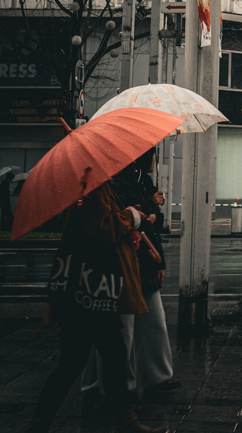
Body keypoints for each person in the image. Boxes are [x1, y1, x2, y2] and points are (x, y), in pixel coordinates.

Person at [26, 179, 167, 433]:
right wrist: (131, 216)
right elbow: (102, 228)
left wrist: (126, 213)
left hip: (89, 292)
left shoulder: (93, 185)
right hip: (91, 292)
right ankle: (126, 422)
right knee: (98, 357)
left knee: (95, 358)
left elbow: (102, 221)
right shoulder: (94, 188)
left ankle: (40, 423)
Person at [82, 150, 175, 406]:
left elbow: (152, 221)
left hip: (139, 258)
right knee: (119, 331)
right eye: (153, 153)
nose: (155, 159)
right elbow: (113, 222)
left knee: (144, 324)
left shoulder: (139, 179)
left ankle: (127, 385)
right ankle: (117, 388)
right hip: (120, 262)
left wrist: (151, 211)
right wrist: (140, 214)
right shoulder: (109, 182)